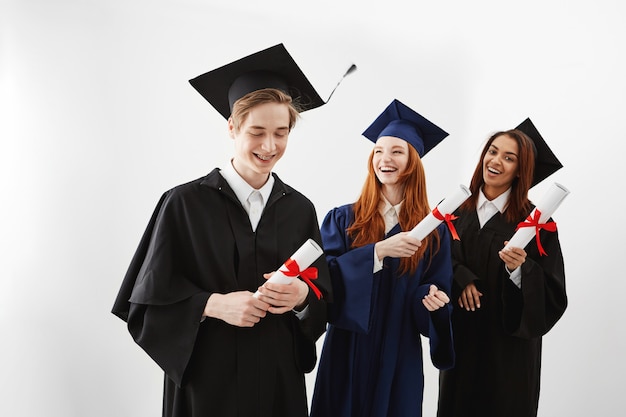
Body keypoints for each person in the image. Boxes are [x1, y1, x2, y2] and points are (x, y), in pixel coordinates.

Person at [111, 44, 337, 417]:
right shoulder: (183, 203)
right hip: (207, 382)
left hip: (278, 380)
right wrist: (213, 304)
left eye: (281, 133)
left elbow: (322, 298)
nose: (269, 146)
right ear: (232, 127)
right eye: (257, 131)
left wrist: (301, 297)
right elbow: (145, 303)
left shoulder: (300, 209)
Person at [310, 99, 456, 417]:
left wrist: (431, 299)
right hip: (347, 349)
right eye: (378, 151)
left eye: (396, 151)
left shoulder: (433, 231)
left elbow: (438, 287)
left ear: (413, 162)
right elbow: (324, 278)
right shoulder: (342, 219)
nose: (384, 159)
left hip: (398, 351)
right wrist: (377, 252)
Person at [437, 118, 568, 417]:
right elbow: (433, 257)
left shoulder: (536, 224)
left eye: (509, 158)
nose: (496, 161)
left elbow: (553, 293)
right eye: (492, 151)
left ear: (522, 170)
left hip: (508, 351)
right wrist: (461, 278)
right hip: (464, 340)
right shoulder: (453, 209)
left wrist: (520, 270)